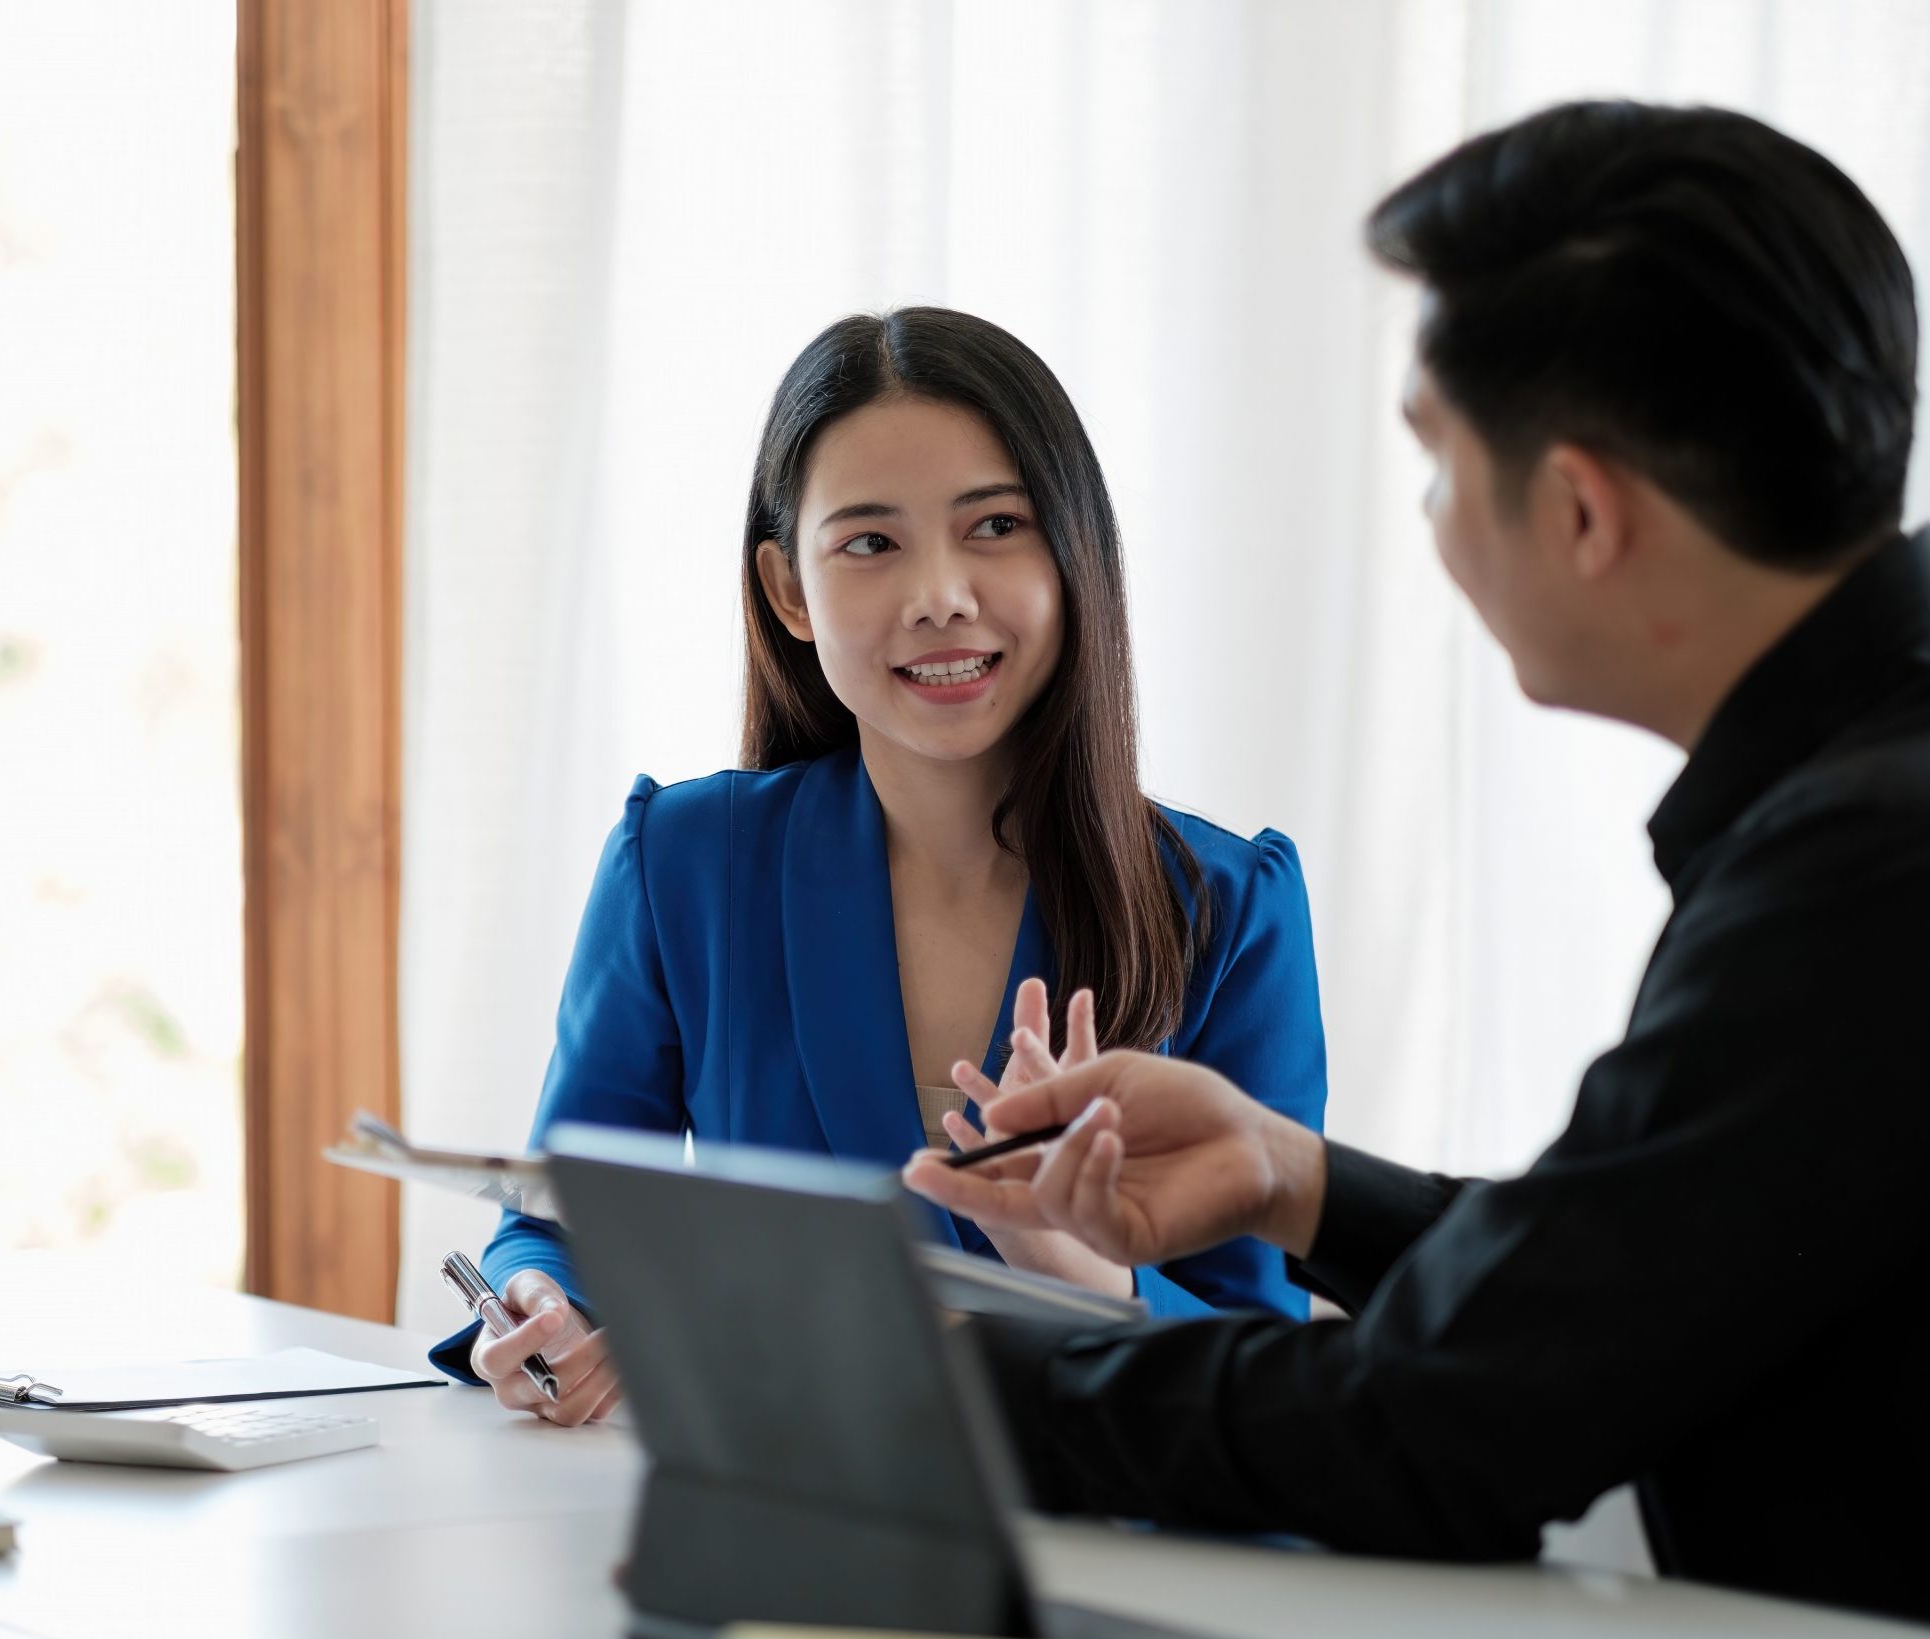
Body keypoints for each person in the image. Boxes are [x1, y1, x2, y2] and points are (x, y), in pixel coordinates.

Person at [904, 100, 1930, 1630]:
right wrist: (1291, 1177)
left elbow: (1448, 1423)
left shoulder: (1868, 865)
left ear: (1581, 508)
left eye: (1435, 465)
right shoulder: (1893, 795)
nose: (1434, 529)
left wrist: (928, 1374)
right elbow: (1638, 1267)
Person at [435, 307, 1328, 1424]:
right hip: (785, 1509)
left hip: (1094, 1530)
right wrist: (540, 1306)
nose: (938, 595)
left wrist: (1071, 1264)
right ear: (787, 591)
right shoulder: (682, 865)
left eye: (993, 525)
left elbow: (1266, 1366)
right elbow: (558, 1217)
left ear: (1072, 552)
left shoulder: (1227, 906)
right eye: (870, 542)